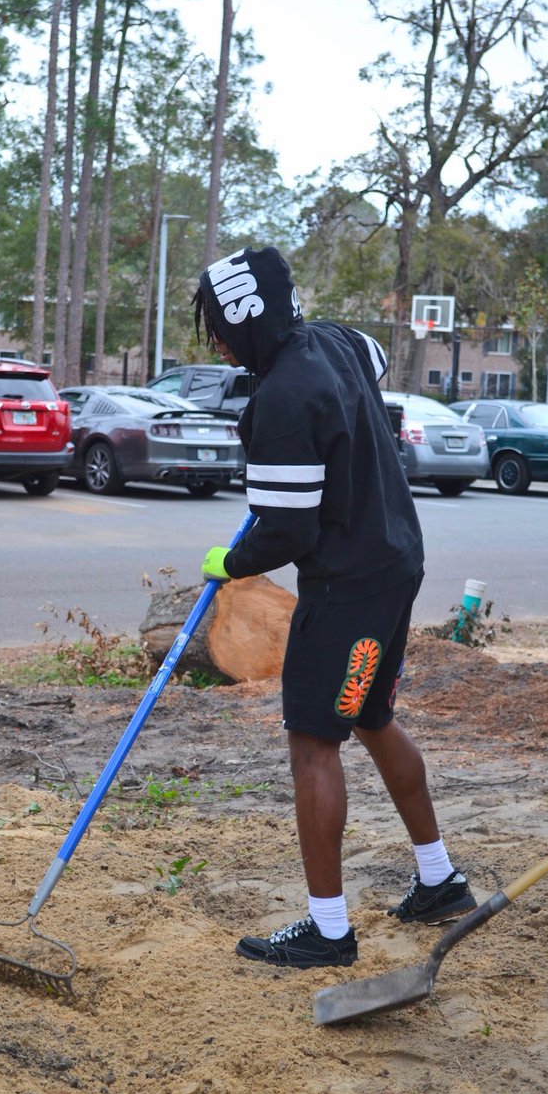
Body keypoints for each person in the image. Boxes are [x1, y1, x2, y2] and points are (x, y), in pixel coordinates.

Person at [194, 244, 476, 969]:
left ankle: (327, 930)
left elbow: (289, 529)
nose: (218, 343)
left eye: (219, 328)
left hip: (348, 588)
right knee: (373, 714)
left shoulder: (281, 403)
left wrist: (230, 562)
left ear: (246, 324)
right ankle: (440, 880)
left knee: (315, 742)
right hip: (395, 562)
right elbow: (374, 363)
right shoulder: (339, 342)